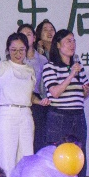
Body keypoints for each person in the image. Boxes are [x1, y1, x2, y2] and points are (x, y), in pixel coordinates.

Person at [39, 29, 89, 177]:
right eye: (68, 41)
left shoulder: (79, 67)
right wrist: (71, 74)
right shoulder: (50, 67)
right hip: (59, 117)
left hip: (78, 116)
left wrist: (86, 89)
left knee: (79, 157)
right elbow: (55, 92)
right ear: (58, 45)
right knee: (58, 157)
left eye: (73, 41)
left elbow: (82, 95)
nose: (72, 45)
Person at [0, 30, 38, 177]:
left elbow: (29, 95)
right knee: (6, 156)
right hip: (8, 113)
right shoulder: (3, 67)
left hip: (26, 114)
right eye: (13, 50)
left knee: (26, 156)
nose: (18, 53)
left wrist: (40, 102)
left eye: (21, 50)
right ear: (8, 50)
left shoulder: (30, 70)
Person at [31, 19, 55, 150]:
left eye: (52, 29)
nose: (49, 32)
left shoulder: (61, 53)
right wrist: (40, 51)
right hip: (40, 102)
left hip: (57, 103)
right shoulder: (35, 55)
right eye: (45, 30)